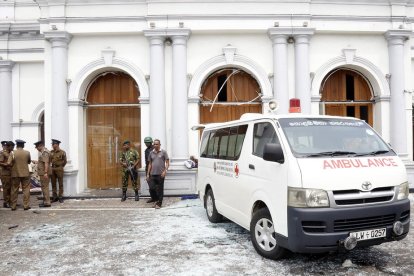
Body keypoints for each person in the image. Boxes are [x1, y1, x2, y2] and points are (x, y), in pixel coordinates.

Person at [7, 139, 31, 211]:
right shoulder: (27, 152)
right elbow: (29, 162)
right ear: (23, 145)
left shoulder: (12, 153)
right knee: (26, 190)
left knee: (14, 190)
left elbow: (8, 163)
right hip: (25, 173)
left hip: (15, 174)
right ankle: (26, 206)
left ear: (16, 145)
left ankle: (13, 206)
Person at [146, 139, 169, 209]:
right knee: (152, 188)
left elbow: (167, 162)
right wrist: (147, 174)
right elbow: (150, 164)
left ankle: (159, 203)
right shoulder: (151, 153)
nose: (155, 145)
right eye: (154, 144)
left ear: (159, 145)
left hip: (161, 174)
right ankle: (156, 200)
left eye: (157, 144)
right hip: (152, 174)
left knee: (160, 189)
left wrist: (165, 171)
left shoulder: (163, 152)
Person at [33, 141, 51, 208]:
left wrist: (45, 173)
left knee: (45, 187)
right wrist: (37, 162)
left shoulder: (45, 153)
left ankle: (47, 202)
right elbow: (43, 162)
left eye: (37, 147)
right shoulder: (44, 152)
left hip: (44, 173)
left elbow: (46, 163)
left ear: (40, 146)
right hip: (43, 172)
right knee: (44, 187)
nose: (36, 148)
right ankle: (46, 201)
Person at [50, 139, 67, 203]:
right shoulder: (51, 152)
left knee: (60, 184)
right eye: (52, 144)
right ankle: (55, 197)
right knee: (53, 184)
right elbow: (49, 160)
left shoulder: (62, 152)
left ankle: (60, 196)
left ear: (57, 144)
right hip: (52, 169)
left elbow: (65, 161)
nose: (52, 145)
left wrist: (61, 166)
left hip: (59, 169)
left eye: (53, 144)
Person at [144, 136, 157, 203]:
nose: (146, 144)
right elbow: (147, 162)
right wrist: (147, 172)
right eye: (145, 143)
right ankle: (153, 198)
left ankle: (157, 199)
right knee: (150, 185)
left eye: (147, 142)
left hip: (155, 169)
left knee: (155, 186)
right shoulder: (146, 150)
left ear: (150, 142)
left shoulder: (155, 150)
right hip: (148, 170)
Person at [0, 141, 12, 208]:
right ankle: (6, 202)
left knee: (10, 188)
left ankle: (10, 201)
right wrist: (7, 165)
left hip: (10, 173)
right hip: (5, 173)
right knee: (6, 188)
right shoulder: (2, 153)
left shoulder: (10, 153)